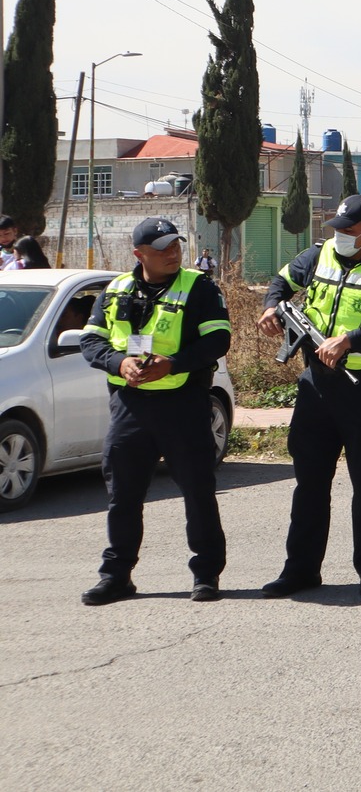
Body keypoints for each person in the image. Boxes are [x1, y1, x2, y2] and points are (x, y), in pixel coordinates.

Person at [258, 195, 361, 598]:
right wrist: (272, 307)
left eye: (348, 230)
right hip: (315, 385)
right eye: (338, 229)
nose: (340, 236)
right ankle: (301, 570)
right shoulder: (317, 255)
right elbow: (281, 282)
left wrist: (350, 340)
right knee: (309, 483)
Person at [76, 217, 233, 605]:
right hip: (130, 407)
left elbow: (218, 339)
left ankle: (207, 574)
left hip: (184, 405)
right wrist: (118, 364)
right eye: (161, 248)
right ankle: (116, 576)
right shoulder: (116, 289)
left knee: (198, 492)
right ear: (139, 254)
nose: (172, 253)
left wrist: (174, 363)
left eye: (175, 246)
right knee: (123, 496)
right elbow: (91, 341)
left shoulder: (198, 287)